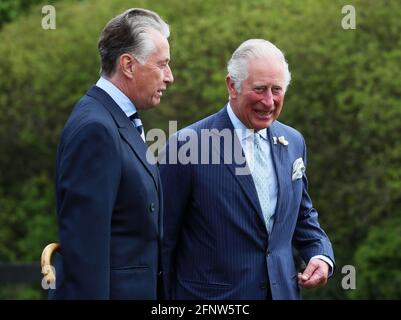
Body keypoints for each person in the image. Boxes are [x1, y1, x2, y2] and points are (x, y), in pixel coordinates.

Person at [160, 39, 334, 300]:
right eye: (260, 89)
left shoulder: (294, 142)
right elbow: (162, 240)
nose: (269, 101)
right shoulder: (187, 146)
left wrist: (320, 255)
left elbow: (302, 216)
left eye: (277, 89)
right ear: (232, 85)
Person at [50, 8, 174, 299]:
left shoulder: (112, 118)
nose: (169, 77)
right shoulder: (96, 128)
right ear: (128, 65)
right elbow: (85, 251)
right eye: (162, 65)